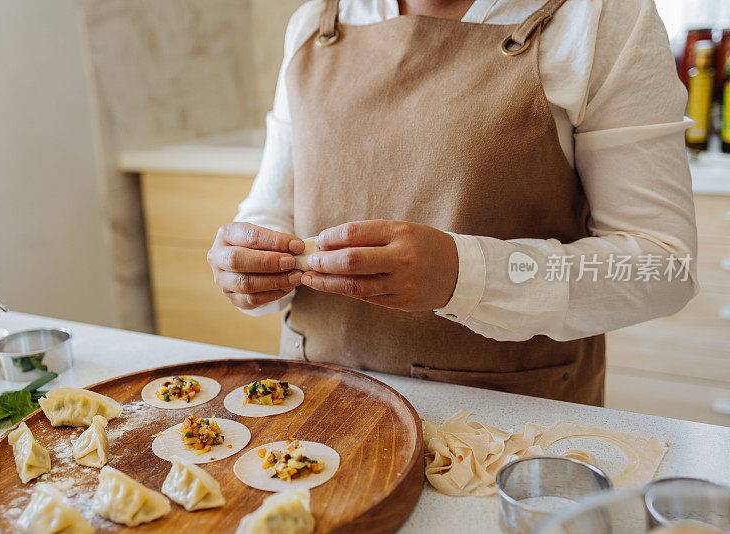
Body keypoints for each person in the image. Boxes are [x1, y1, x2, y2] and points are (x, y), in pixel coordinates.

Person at [207, 0, 698, 406]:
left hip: (511, 424)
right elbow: (272, 207)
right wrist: (246, 259)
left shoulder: (604, 18)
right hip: (317, 404)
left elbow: (665, 266)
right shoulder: (314, 23)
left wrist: (466, 276)